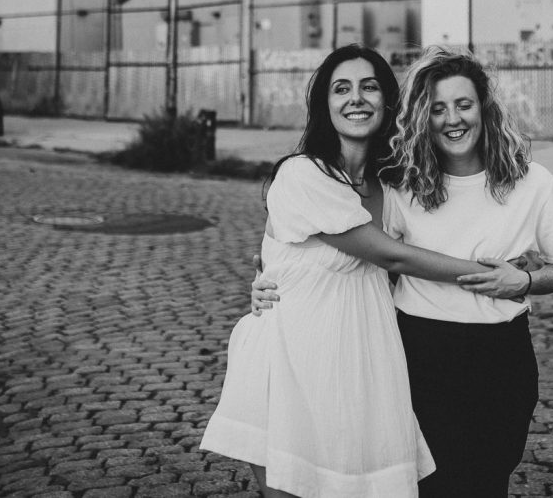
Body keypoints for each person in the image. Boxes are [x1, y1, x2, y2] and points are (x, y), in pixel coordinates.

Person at [200, 45, 526, 498]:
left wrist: (521, 260)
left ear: (388, 102)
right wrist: (486, 273)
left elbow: (439, 234)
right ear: (325, 106)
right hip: (295, 361)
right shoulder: (302, 176)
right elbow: (394, 257)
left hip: (365, 367)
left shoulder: (391, 188)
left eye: (369, 86)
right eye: (341, 89)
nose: (356, 98)